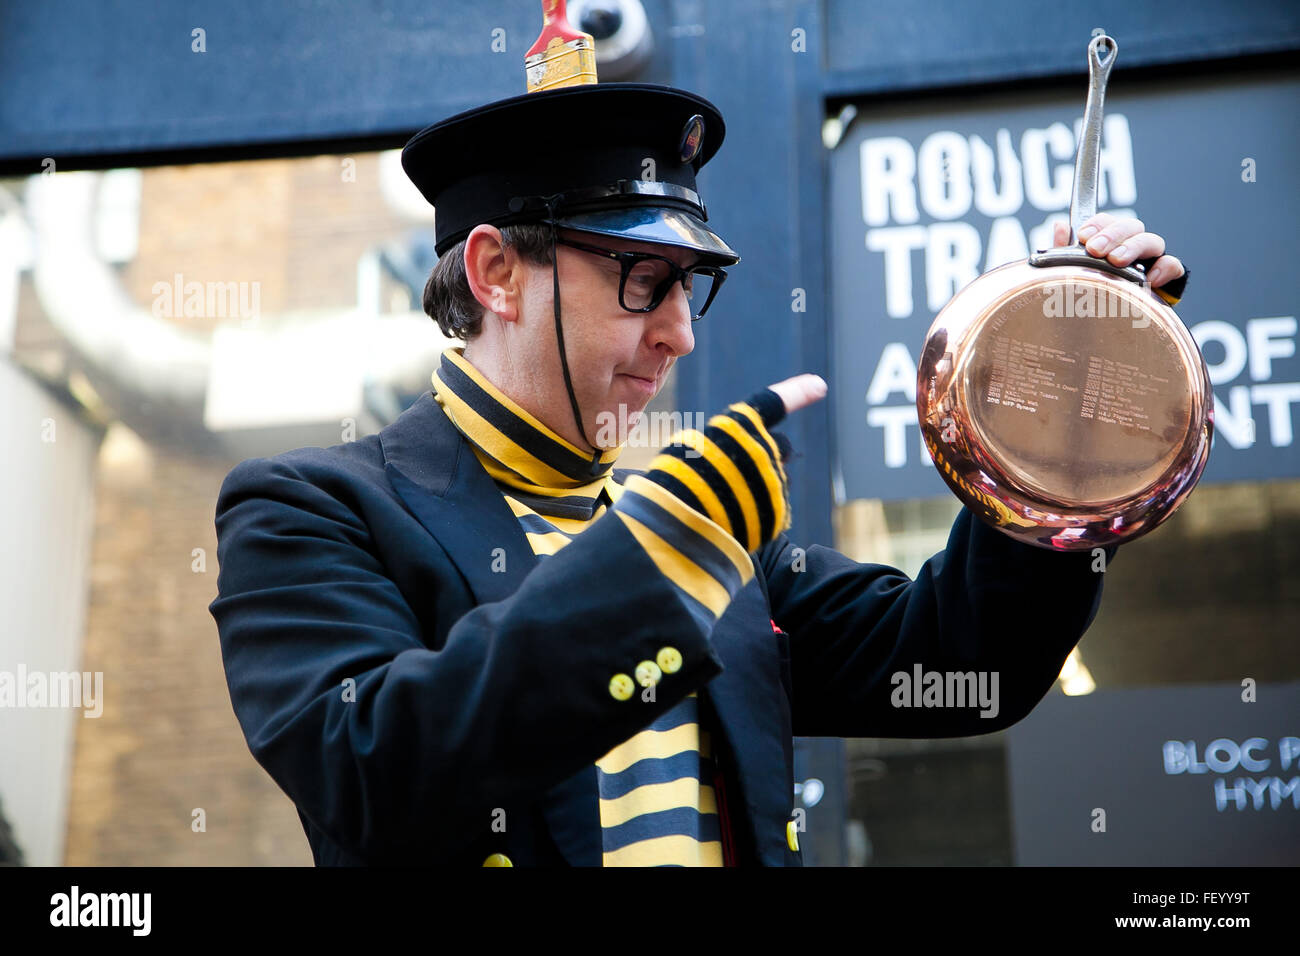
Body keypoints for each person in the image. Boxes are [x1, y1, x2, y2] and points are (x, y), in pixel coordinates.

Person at [208, 81, 1187, 867]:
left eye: (690, 289)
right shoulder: (311, 505)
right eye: (643, 281)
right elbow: (370, 773)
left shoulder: (693, 530)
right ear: (495, 271)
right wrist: (664, 549)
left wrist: (1062, 421)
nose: (677, 333)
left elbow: (966, 667)